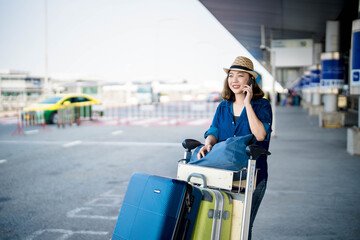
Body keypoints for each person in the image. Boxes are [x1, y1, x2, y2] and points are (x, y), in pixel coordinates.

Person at [197, 56, 272, 240]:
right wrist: (208, 143)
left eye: (240, 76)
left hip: (252, 174)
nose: (234, 80)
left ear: (250, 80)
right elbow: (214, 130)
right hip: (223, 173)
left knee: (242, 226)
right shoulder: (223, 107)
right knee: (221, 222)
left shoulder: (262, 105)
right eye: (231, 76)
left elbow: (261, 134)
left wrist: (247, 104)